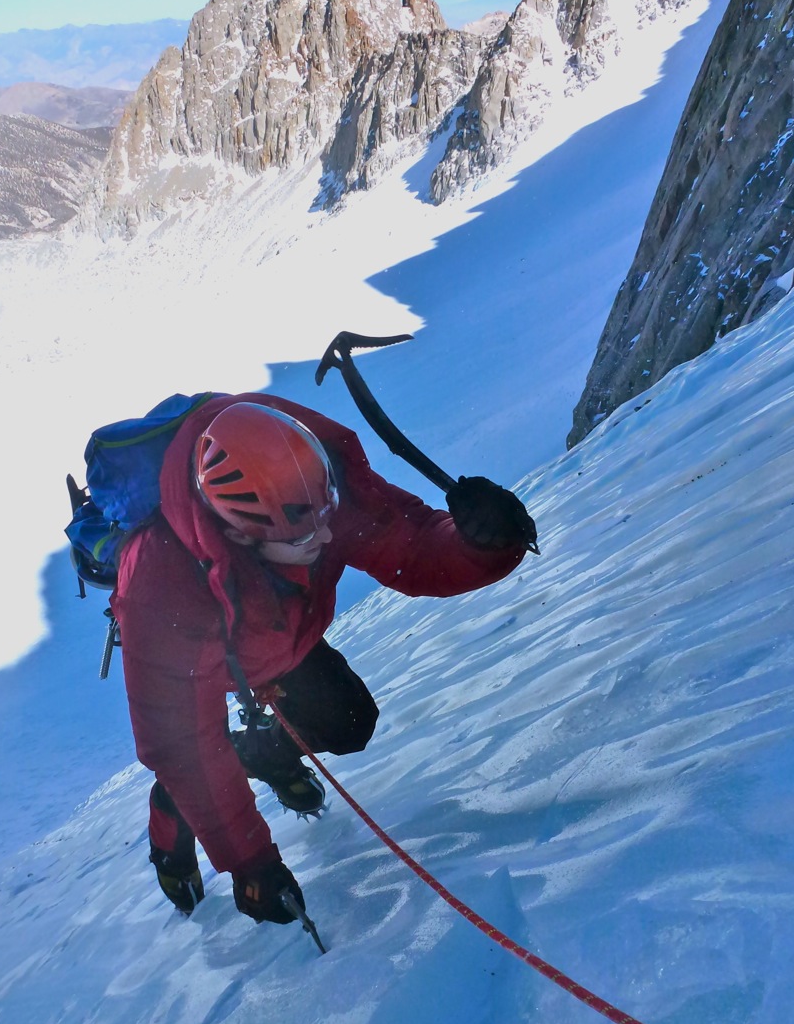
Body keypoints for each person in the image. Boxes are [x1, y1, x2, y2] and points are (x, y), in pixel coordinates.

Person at [111, 393, 536, 926]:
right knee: (194, 766)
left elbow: (408, 545)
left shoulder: (308, 482)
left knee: (349, 722)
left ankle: (262, 755)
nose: (330, 535)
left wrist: (482, 543)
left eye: (327, 518)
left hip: (281, 633)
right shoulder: (158, 585)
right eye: (305, 536)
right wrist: (251, 864)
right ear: (239, 533)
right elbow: (183, 747)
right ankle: (170, 814)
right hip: (216, 660)